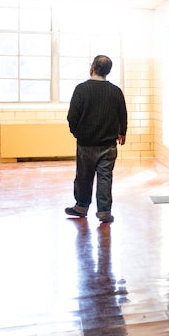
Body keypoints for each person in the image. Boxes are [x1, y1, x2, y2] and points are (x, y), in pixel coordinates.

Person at [65, 55, 128, 224]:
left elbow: (72, 117)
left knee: (83, 177)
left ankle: (81, 207)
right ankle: (104, 211)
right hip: (108, 145)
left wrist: (77, 133)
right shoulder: (115, 91)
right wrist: (122, 132)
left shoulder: (81, 89)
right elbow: (123, 114)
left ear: (92, 67)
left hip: (86, 144)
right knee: (105, 178)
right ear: (108, 71)